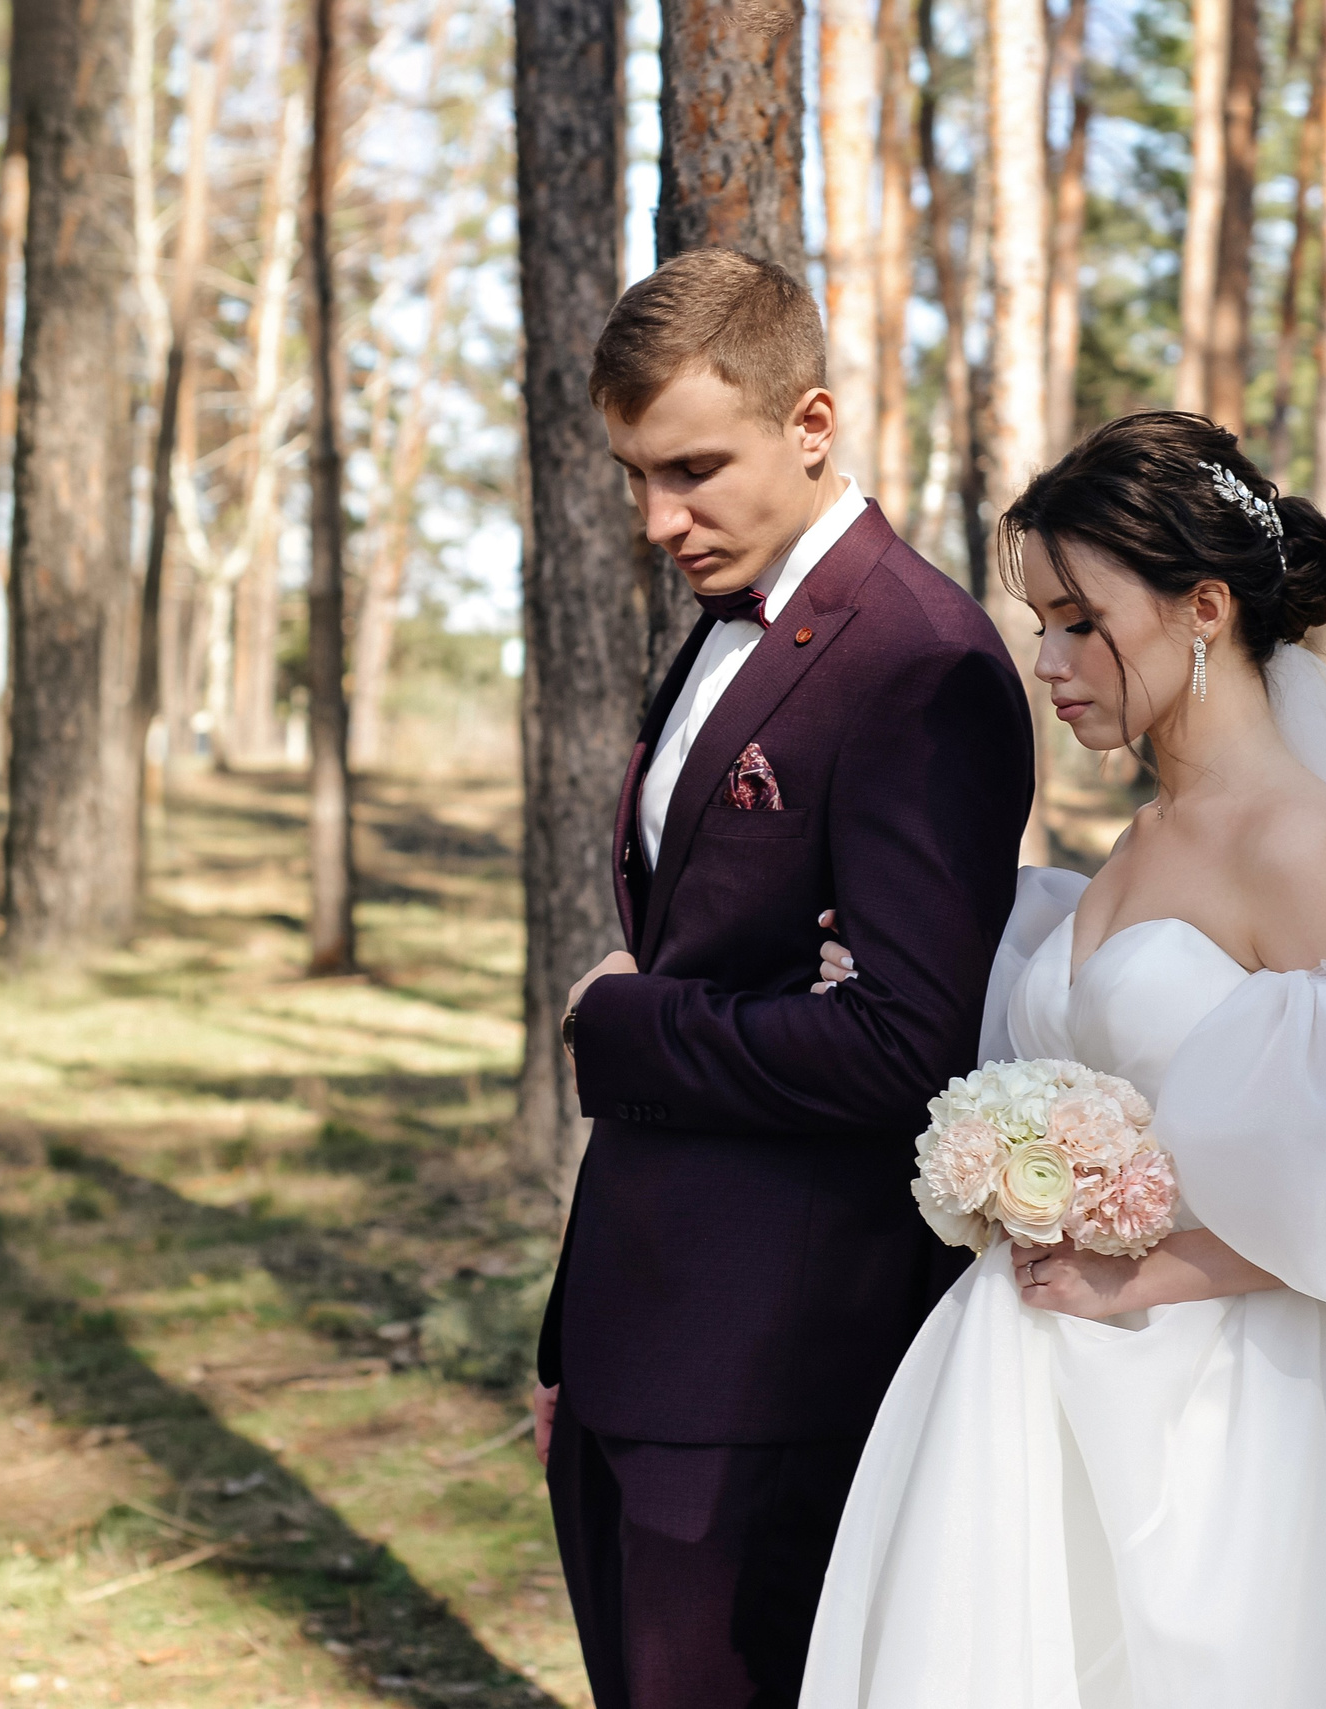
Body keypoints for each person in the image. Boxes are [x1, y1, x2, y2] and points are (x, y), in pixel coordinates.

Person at [798, 412, 1326, 1707]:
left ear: (1203, 607)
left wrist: (1149, 1273)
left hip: (1234, 1421)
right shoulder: (1141, 841)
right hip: (1029, 1391)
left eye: (1082, 620)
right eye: (1042, 622)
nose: (1049, 660)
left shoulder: (1297, 844)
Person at [531, 247, 1036, 1709]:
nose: (657, 520)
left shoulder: (922, 663)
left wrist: (622, 1025)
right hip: (639, 1327)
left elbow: (904, 1046)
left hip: (769, 1366)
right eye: (634, 476)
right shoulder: (726, 619)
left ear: (811, 424)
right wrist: (582, 1333)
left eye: (693, 469)